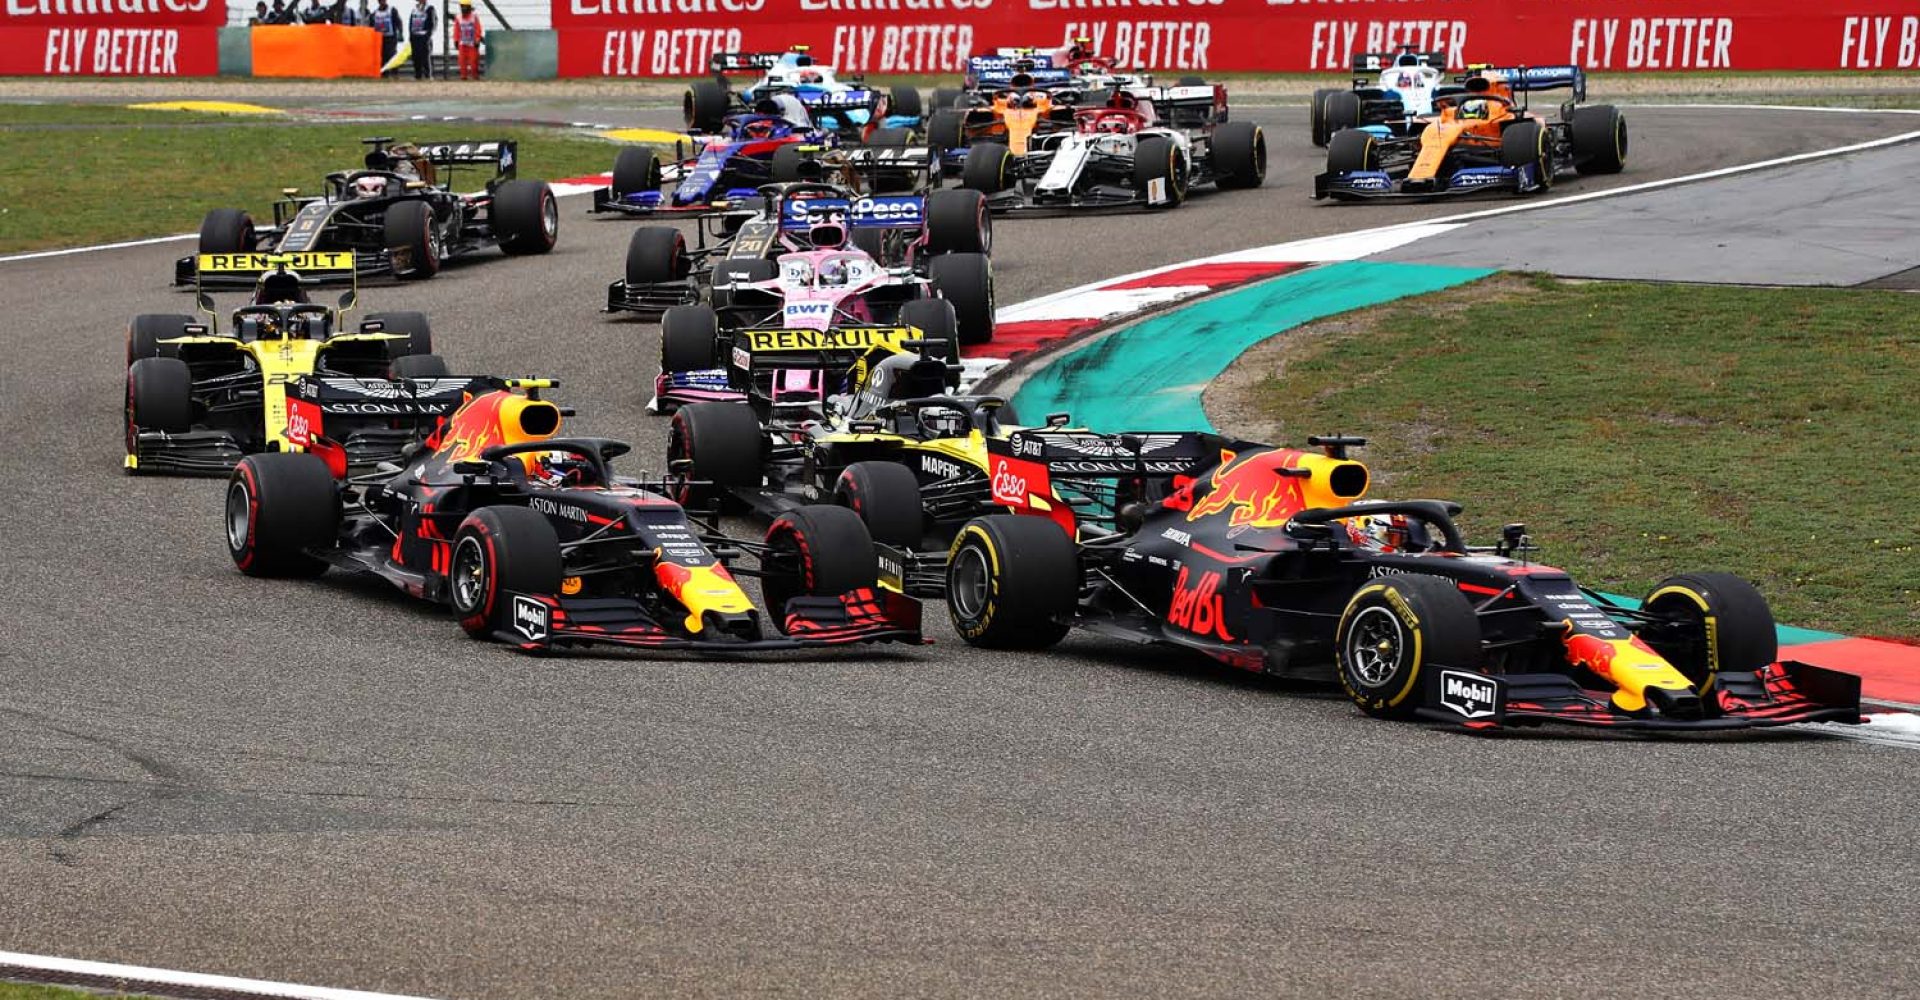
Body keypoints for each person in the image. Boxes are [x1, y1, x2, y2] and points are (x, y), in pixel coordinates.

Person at [452, 0, 483, 80]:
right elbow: (456, 30)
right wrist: (456, 40)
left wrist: (477, 39)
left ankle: (475, 76)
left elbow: (478, 29)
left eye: (465, 6)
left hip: (472, 43)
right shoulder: (458, 17)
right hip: (462, 43)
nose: (463, 8)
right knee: (462, 61)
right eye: (462, 6)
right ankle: (463, 76)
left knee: (474, 61)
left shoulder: (474, 17)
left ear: (469, 7)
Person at [407, 0, 436, 80]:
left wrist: (428, 35)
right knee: (416, 56)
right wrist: (410, 35)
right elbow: (411, 22)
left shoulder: (430, 8)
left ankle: (428, 75)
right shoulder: (414, 9)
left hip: (424, 36)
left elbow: (433, 23)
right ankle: (417, 75)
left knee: (425, 56)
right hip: (415, 36)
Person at [368, 0, 399, 76]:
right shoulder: (375, 13)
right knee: (382, 57)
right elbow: (371, 26)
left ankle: (395, 74)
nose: (382, 2)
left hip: (390, 38)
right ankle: (384, 75)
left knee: (392, 56)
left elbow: (398, 22)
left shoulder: (392, 10)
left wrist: (400, 33)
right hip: (380, 39)